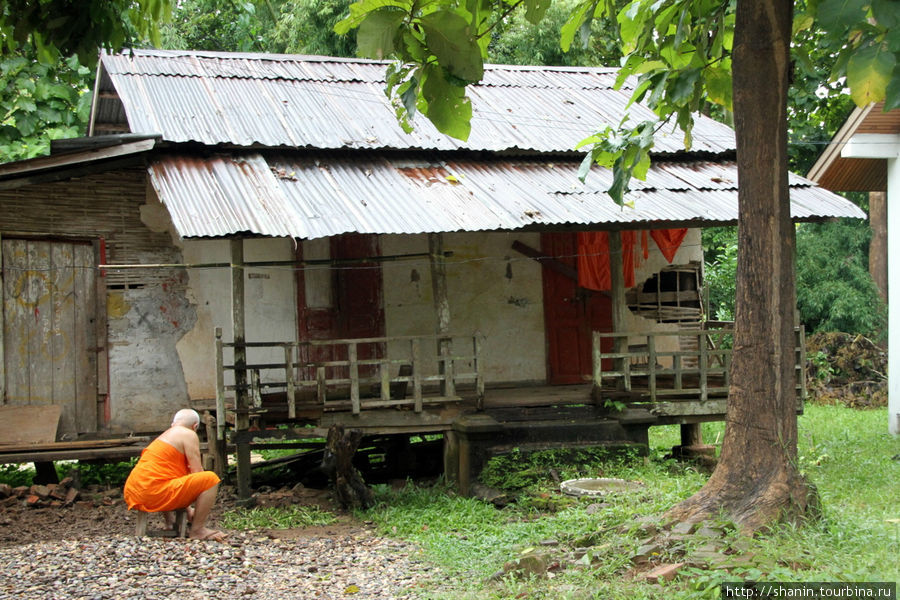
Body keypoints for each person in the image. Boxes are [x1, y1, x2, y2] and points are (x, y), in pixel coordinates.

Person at [124, 408, 225, 541]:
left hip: (135, 492)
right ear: (195, 426)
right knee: (210, 479)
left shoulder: (164, 436)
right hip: (154, 492)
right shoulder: (188, 434)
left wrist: (189, 510)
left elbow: (168, 478)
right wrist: (195, 510)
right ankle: (197, 530)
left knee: (165, 479)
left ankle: (170, 523)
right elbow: (197, 472)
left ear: (173, 424)